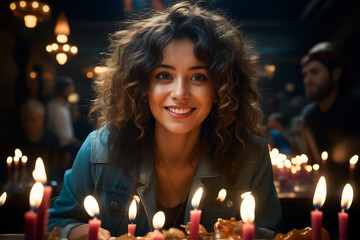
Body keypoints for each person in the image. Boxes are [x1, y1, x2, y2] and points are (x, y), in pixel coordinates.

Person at [48, 2, 282, 239]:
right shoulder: (99, 149)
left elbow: (272, 232)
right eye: (164, 75)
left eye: (198, 77)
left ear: (221, 89)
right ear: (141, 86)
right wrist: (82, 232)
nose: (180, 93)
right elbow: (55, 222)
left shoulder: (251, 155)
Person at [300, 41, 360, 194]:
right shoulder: (310, 116)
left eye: (314, 72)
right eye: (305, 74)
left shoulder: (354, 110)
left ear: (336, 74)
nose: (307, 80)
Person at [46, 76, 83, 162]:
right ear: (64, 91)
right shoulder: (57, 109)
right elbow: (66, 139)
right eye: (70, 90)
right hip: (61, 148)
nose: (72, 93)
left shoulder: (59, 105)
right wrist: (84, 145)